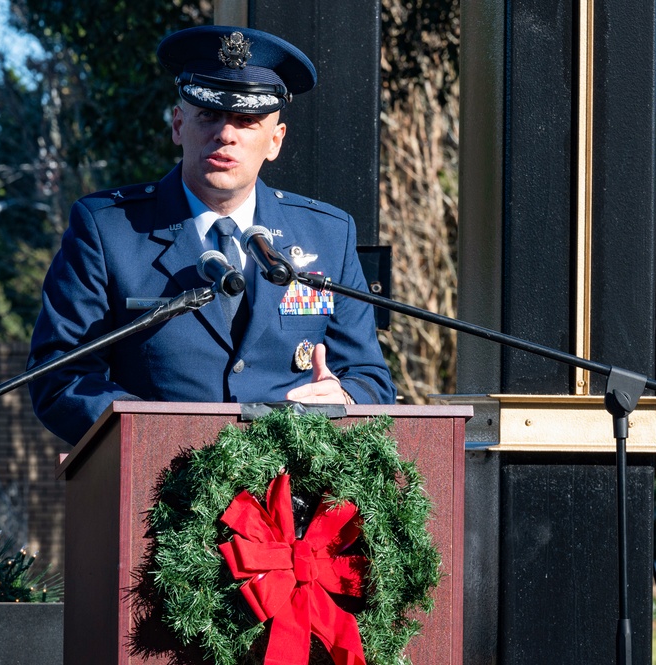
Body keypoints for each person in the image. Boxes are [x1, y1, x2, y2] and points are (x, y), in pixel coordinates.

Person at [27, 25, 396, 444]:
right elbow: (61, 377)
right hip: (160, 486)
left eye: (246, 121)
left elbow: (370, 377)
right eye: (209, 116)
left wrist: (344, 397)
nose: (225, 134)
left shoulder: (328, 234)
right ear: (178, 125)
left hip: (293, 490)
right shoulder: (107, 229)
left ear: (275, 141)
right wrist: (153, 436)